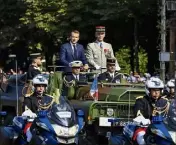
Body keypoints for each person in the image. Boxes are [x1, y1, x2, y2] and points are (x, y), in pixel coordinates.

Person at [133, 77, 170, 145]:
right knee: (142, 141)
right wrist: (143, 120)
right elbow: (138, 114)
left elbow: (171, 114)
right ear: (148, 90)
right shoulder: (141, 100)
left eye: (158, 90)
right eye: (154, 90)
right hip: (144, 128)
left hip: (163, 129)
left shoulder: (165, 102)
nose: (156, 93)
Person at [22, 74, 55, 143]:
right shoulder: (29, 98)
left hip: (49, 123)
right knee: (29, 137)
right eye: (39, 86)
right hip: (33, 123)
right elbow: (26, 110)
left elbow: (55, 110)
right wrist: (30, 114)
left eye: (43, 86)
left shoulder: (50, 98)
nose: (41, 88)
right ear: (34, 87)